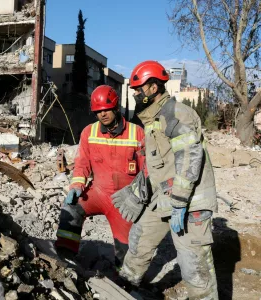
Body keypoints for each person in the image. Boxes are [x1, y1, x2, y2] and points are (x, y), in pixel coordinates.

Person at [112, 61, 218, 299]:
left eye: (138, 90)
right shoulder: (153, 120)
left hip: (190, 203)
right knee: (140, 237)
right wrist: (140, 188)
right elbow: (162, 162)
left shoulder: (176, 114)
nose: (136, 94)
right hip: (166, 197)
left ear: (152, 87)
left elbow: (190, 157)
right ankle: (124, 286)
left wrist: (180, 202)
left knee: (194, 265)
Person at [54, 85, 145, 269]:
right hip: (98, 192)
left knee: (126, 254)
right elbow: (82, 164)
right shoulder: (89, 132)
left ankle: (124, 282)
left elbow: (146, 171)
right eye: (98, 111)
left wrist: (138, 198)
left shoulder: (137, 133)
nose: (102, 115)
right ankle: (66, 258)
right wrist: (77, 185)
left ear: (116, 107)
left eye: (106, 110)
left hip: (124, 200)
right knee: (71, 208)